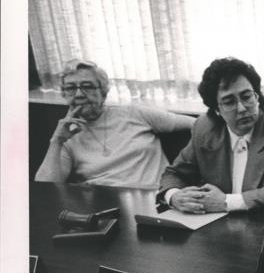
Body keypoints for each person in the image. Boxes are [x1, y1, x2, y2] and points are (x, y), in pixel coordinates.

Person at [159, 57, 264, 212]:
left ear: (257, 96)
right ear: (216, 109)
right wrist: (174, 196)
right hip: (221, 225)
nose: (242, 108)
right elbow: (174, 174)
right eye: (229, 102)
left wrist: (226, 202)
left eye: (246, 97)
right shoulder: (204, 128)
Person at [35, 59, 193, 190]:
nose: (79, 94)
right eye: (70, 88)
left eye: (87, 86)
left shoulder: (135, 114)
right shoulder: (66, 135)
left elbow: (198, 123)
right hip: (104, 207)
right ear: (64, 94)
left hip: (154, 198)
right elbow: (45, 188)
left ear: (103, 91)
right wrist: (56, 141)